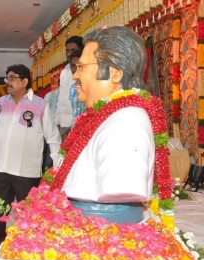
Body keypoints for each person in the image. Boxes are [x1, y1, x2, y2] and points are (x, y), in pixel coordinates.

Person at [50, 25, 160, 224]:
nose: (75, 75)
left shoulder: (126, 122)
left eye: (82, 67)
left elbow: (121, 187)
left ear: (115, 73)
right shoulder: (104, 115)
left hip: (102, 229)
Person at [0, 64, 61, 255]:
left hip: (27, 172)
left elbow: (53, 138)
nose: (8, 82)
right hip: (1, 170)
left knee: (29, 214)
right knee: (0, 211)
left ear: (25, 81)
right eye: (7, 78)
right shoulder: (0, 103)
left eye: (13, 78)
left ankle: (29, 247)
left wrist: (58, 165)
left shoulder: (40, 105)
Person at [55, 36, 84, 141]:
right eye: (67, 50)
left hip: (77, 123)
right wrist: (57, 121)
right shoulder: (65, 71)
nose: (68, 53)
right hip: (62, 123)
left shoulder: (83, 71)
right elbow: (60, 99)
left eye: (73, 50)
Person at [68, 50, 86, 124]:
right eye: (73, 66)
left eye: (79, 66)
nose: (76, 70)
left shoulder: (93, 86)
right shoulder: (72, 88)